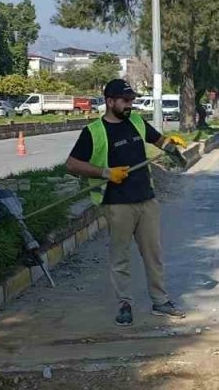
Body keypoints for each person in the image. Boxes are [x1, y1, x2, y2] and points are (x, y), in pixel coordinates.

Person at [66, 79, 188, 326]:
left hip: (146, 200)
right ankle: (124, 304)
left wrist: (170, 145)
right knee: (120, 257)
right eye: (125, 100)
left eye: (132, 100)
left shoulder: (136, 121)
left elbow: (157, 140)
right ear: (110, 102)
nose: (130, 105)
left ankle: (160, 301)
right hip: (116, 203)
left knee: (153, 254)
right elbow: (71, 165)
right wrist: (106, 173)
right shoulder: (94, 132)